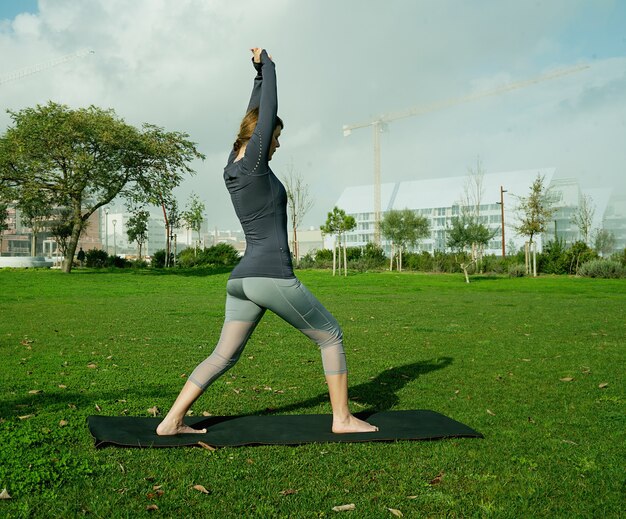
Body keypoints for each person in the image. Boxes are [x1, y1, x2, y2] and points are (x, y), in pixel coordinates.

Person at [157, 48, 377, 436]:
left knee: (224, 355)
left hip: (242, 280)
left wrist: (257, 76)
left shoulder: (232, 164)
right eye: (276, 136)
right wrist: (271, 66)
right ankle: (342, 419)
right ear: (262, 135)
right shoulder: (255, 163)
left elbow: (255, 112)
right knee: (330, 335)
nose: (277, 143)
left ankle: (172, 420)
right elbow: (266, 111)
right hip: (271, 275)